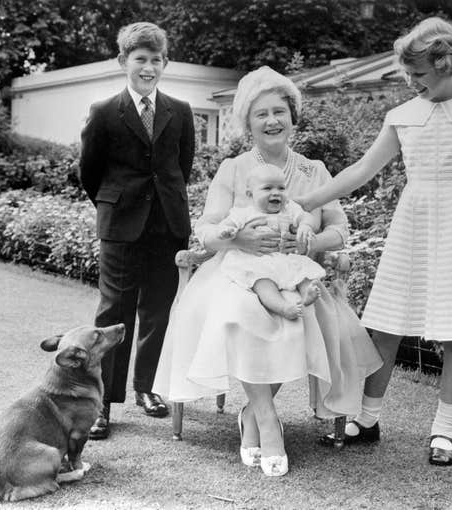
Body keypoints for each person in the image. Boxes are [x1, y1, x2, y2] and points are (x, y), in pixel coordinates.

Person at [297, 17, 452, 466]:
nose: (411, 82)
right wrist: (307, 201)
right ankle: (369, 418)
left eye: (418, 74)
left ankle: (445, 431)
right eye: (408, 74)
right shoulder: (402, 117)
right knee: (387, 325)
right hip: (414, 224)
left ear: (446, 64)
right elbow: (361, 171)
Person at [152, 66, 382, 477]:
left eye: (280, 111)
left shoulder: (314, 169)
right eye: (262, 114)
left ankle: (251, 417)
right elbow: (204, 230)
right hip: (236, 272)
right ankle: (267, 420)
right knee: (242, 315)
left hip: (294, 271)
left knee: (304, 314)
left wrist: (311, 241)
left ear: (293, 117)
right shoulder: (233, 169)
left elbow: (340, 231)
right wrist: (237, 241)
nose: (273, 120)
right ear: (248, 123)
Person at [79, 21, 195, 439]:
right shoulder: (105, 111)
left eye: (156, 60)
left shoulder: (179, 111)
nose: (148, 68)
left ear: (165, 63)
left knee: (157, 310)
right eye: (140, 60)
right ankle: (103, 404)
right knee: (114, 313)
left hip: (168, 225)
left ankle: (147, 388)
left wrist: (164, 208)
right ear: (123, 61)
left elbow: (182, 168)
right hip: (120, 225)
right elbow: (89, 173)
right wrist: (117, 206)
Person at [218, 163, 324, 320]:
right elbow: (227, 225)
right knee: (262, 283)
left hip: (284, 257)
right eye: (267, 188)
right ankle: (284, 307)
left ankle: (308, 293)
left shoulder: (290, 208)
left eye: (281, 188)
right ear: (250, 194)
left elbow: (306, 217)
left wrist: (306, 226)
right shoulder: (245, 213)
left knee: (303, 272)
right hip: (256, 260)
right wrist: (229, 232)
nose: (276, 193)